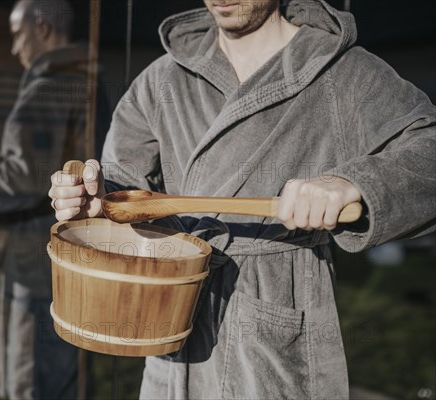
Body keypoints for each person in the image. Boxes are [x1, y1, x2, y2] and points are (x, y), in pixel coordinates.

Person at [48, 0, 435, 398]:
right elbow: (125, 181)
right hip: (172, 318)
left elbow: (429, 150)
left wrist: (351, 183)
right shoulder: (162, 79)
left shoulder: (342, 72)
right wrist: (97, 198)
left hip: (275, 321)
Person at [0, 0, 109, 398]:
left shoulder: (49, 86)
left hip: (37, 265)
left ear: (44, 28)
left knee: (29, 383)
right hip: (74, 259)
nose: (15, 47)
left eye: (18, 34)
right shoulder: (91, 82)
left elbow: (25, 177)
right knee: (67, 380)